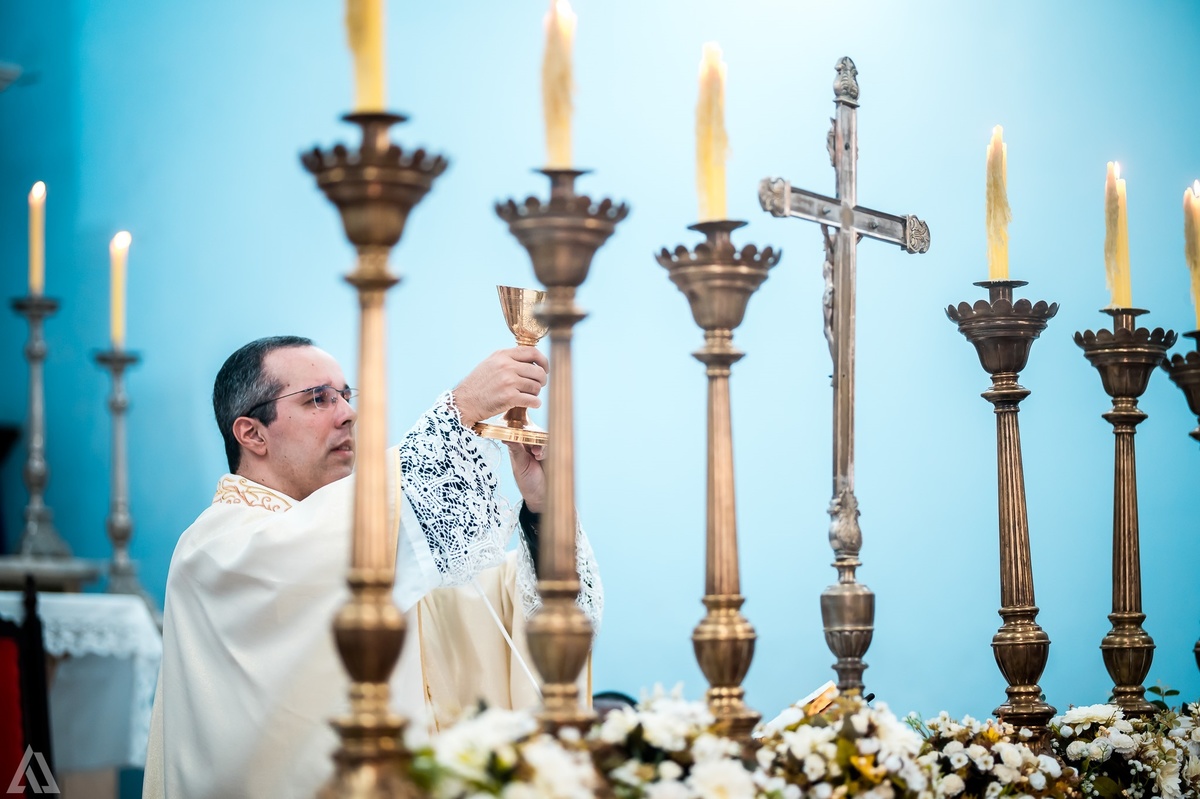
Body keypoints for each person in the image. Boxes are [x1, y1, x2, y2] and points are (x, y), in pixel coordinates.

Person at [142, 335, 602, 799]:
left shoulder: (393, 549)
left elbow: (516, 610)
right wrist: (461, 409)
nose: (347, 413)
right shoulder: (218, 549)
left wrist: (542, 508)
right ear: (252, 433)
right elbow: (323, 557)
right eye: (317, 399)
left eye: (345, 395)